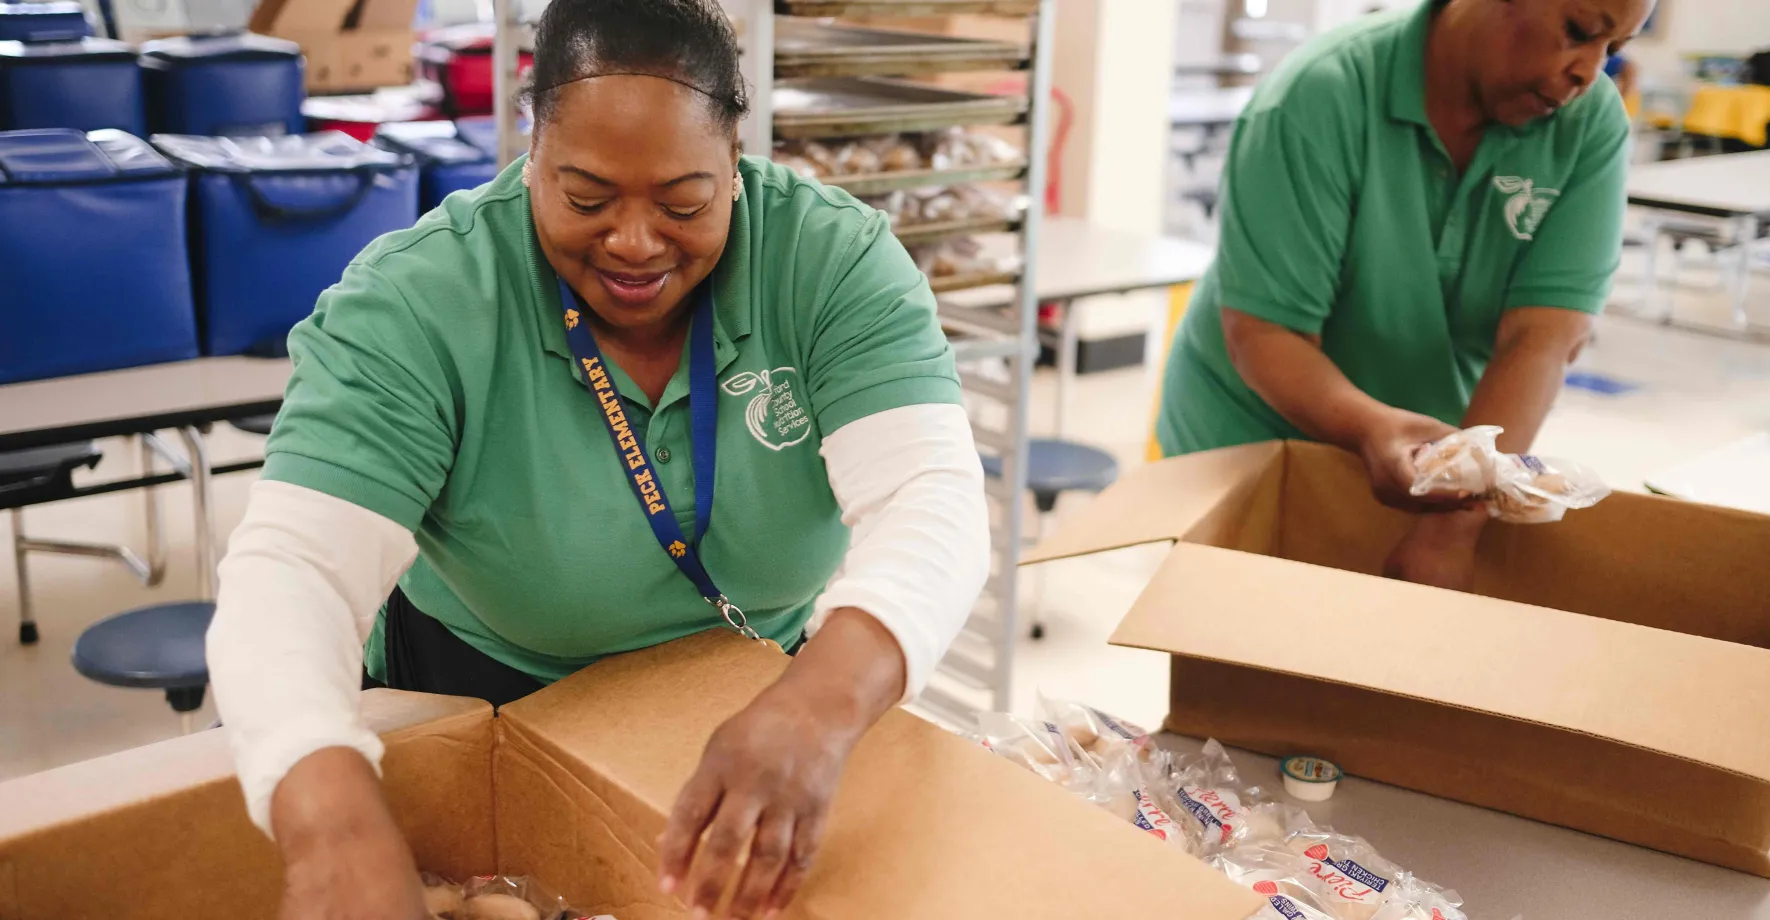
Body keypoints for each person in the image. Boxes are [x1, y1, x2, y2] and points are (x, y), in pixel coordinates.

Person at [204, 1, 991, 918]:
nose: (633, 242)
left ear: (735, 164)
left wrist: (816, 709)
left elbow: (930, 497)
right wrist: (331, 824)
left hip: (756, 697)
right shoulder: (422, 301)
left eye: (683, 203)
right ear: (530, 150)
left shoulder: (828, 262)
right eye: (584, 199)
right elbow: (294, 568)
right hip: (488, 698)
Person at [1156, 0, 1651, 590]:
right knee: (1246, 647)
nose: (1589, 71)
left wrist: (1454, 522)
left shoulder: (1585, 124)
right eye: (1579, 33)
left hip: (1429, 457)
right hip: (1254, 430)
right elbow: (1268, 333)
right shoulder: (1320, 96)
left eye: (1613, 48)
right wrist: (1370, 429)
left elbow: (1540, 338)